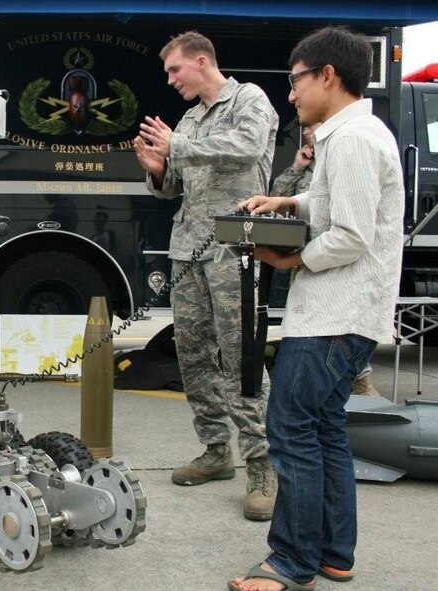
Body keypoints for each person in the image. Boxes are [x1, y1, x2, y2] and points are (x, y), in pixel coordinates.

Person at [230, 27, 404, 591]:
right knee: (325, 430)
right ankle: (334, 554)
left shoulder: (352, 139)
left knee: (290, 430)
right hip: (346, 314)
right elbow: (333, 201)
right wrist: (288, 199)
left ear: (327, 75)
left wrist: (291, 260)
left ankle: (290, 562)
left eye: (296, 80)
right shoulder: (349, 135)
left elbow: (351, 235)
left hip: (334, 314)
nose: (292, 94)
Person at [133, 31, 279, 521]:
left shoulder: (249, 100)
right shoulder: (191, 119)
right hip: (190, 250)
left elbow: (246, 147)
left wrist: (180, 145)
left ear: (201, 61)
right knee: (193, 354)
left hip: (236, 246)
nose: (170, 80)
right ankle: (216, 452)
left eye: (175, 70)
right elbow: (174, 184)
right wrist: (158, 168)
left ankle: (262, 464)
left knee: (241, 354)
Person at [271, 123, 379, 396]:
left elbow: (351, 230)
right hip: (304, 251)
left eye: (312, 128)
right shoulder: (308, 165)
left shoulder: (343, 154)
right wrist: (296, 166)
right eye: (304, 129)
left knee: (339, 328)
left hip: (329, 254)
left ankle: (360, 378)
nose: (307, 132)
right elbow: (276, 196)